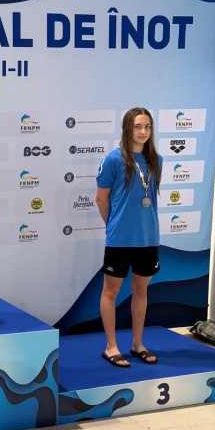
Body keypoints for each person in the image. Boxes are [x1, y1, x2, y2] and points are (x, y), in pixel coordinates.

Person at [95, 107, 162, 367]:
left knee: (141, 290)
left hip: (148, 238)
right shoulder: (114, 160)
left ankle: (137, 344)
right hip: (120, 239)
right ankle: (111, 346)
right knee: (111, 292)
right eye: (137, 126)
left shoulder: (156, 159)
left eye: (147, 126)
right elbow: (101, 199)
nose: (143, 131)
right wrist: (114, 226)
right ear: (127, 129)